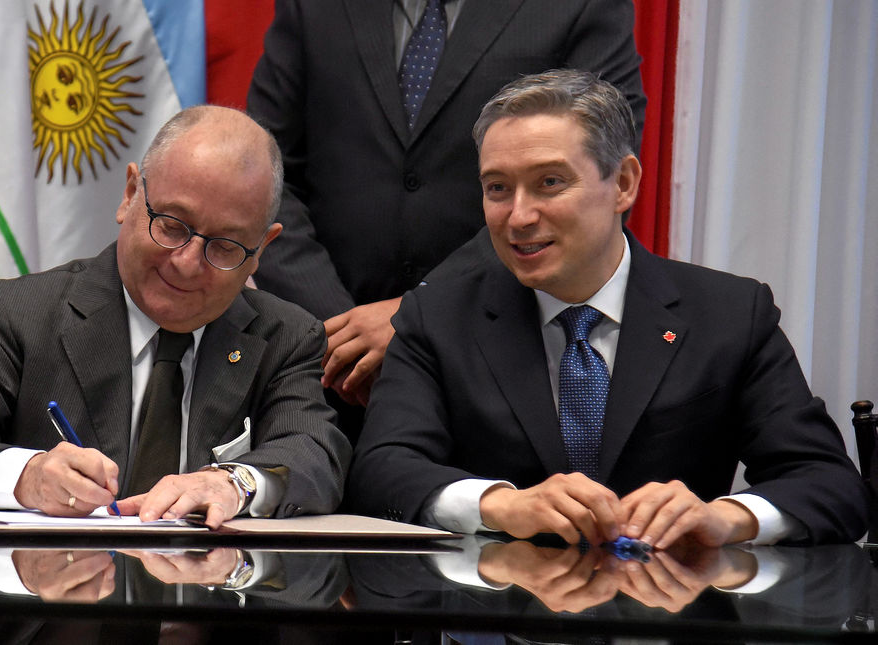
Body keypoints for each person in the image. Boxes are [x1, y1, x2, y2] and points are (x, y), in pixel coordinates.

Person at [349, 70, 868, 547]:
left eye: (550, 182)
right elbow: (380, 471)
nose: (519, 216)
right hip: (499, 602)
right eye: (498, 188)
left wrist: (726, 518)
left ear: (623, 184)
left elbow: (830, 484)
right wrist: (502, 505)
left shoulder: (730, 313)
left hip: (672, 605)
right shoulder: (438, 316)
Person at [0, 106, 351, 528]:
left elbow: (314, 456)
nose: (187, 263)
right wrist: (26, 476)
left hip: (209, 594)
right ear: (129, 196)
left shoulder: (285, 337)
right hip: (43, 597)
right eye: (172, 226)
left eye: (225, 246)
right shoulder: (21, 313)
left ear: (261, 248)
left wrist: (235, 483)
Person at [246, 0, 646, 435]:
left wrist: (418, 311)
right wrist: (345, 336)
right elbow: (263, 172)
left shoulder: (582, 7)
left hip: (498, 363)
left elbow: (599, 171)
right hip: (326, 373)